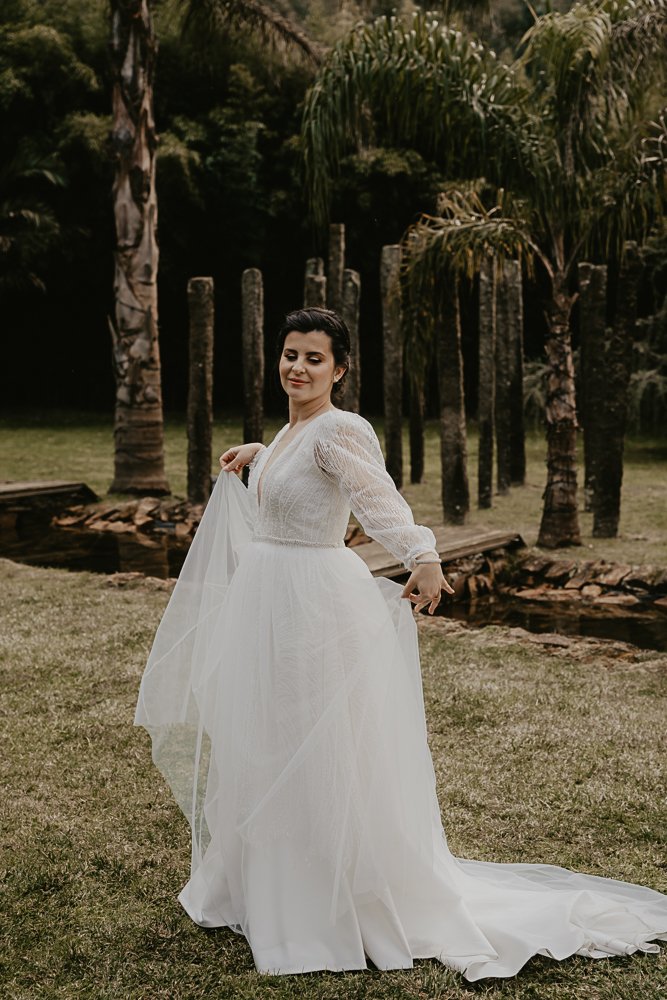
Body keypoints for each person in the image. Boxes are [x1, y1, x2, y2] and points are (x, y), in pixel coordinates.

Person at [134, 307, 667, 980]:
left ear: (340, 370)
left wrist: (423, 554)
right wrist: (260, 456)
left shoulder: (341, 427)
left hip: (310, 603)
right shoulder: (293, 430)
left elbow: (374, 497)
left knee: (315, 740)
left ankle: (327, 897)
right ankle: (270, 882)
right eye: (290, 354)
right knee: (272, 735)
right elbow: (303, 474)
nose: (297, 367)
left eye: (314, 359)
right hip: (268, 599)